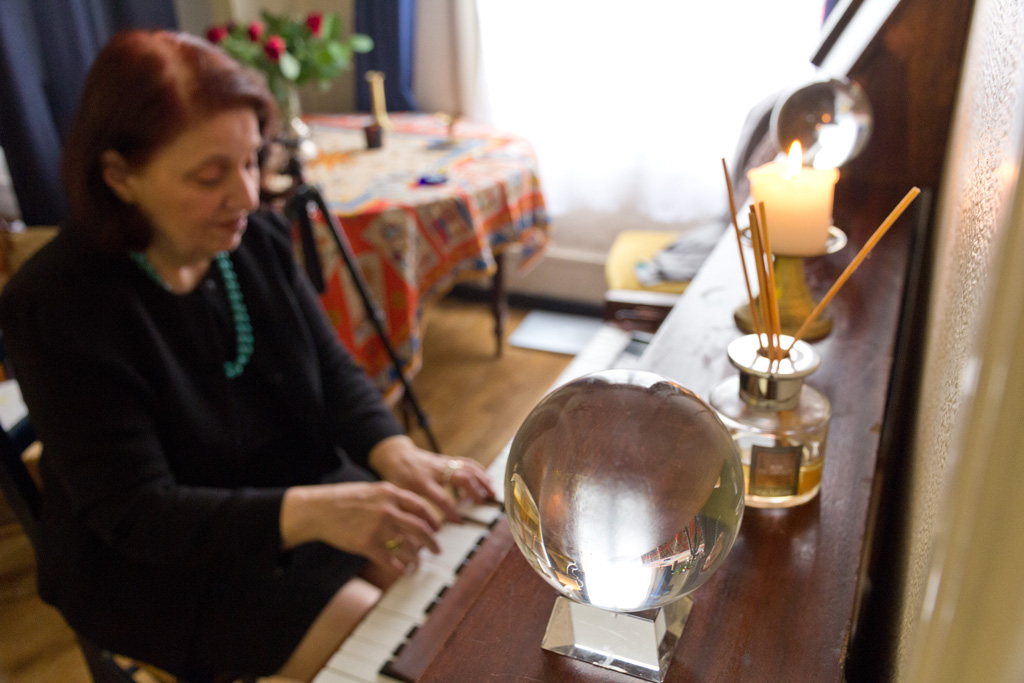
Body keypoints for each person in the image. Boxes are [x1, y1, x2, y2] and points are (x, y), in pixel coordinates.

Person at [0, 30, 494, 682]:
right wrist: (322, 511)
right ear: (120, 175)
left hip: (281, 486)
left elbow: (334, 370)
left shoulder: (251, 236)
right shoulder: (57, 302)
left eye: (251, 161)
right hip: (158, 560)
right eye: (210, 175)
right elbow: (137, 512)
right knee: (381, 637)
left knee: (443, 575)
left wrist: (396, 453)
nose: (246, 194)